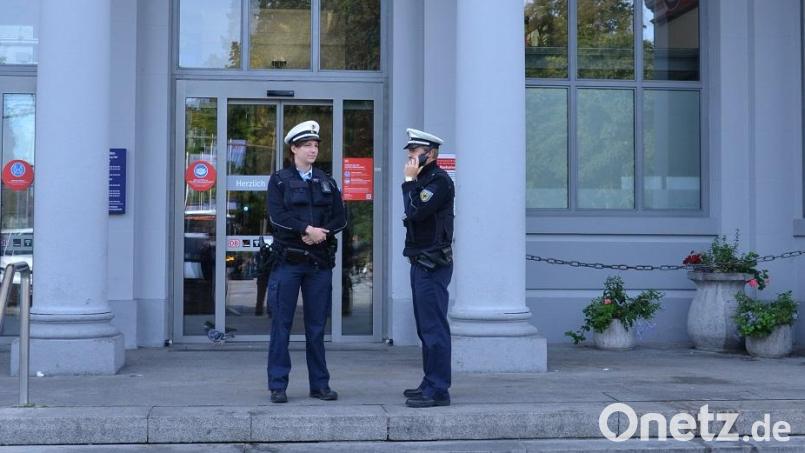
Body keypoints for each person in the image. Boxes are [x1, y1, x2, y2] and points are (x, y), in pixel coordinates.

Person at [265, 120, 346, 404]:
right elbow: (277, 217)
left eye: (315, 145)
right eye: (307, 145)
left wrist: (321, 233)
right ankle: (278, 385)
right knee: (281, 326)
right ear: (294, 149)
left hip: (318, 264)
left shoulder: (327, 181)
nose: (313, 150)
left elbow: (340, 217)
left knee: (315, 328)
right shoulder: (278, 181)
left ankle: (320, 385)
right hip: (288, 263)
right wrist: (306, 230)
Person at [400, 128, 455, 408]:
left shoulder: (438, 181)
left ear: (430, 154)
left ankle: (438, 389)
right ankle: (429, 381)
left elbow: (415, 212)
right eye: (410, 153)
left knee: (434, 327)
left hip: (432, 264)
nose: (410, 157)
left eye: (414, 152)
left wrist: (409, 181)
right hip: (421, 261)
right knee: (425, 327)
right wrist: (412, 181)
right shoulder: (424, 179)